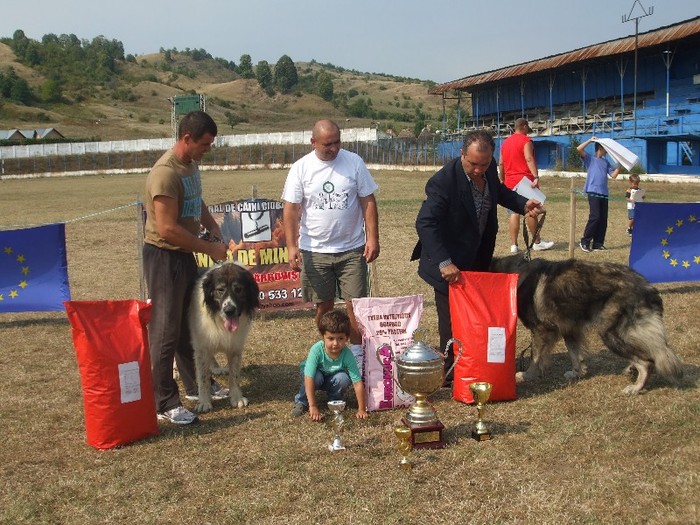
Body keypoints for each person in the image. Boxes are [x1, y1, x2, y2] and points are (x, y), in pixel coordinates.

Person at [412, 130, 545, 382]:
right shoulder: (443, 182)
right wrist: (445, 262)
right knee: (450, 319)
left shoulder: (487, 166)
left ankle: (476, 360)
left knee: (476, 314)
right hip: (447, 262)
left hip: (476, 256)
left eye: (484, 164)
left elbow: (498, 191)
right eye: (473, 164)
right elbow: (425, 223)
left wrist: (522, 203)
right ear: (462, 154)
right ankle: (451, 371)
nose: (478, 170)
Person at [143, 110, 229, 425]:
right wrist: (209, 249)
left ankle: (197, 385)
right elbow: (167, 228)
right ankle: (163, 401)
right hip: (165, 257)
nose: (208, 150)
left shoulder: (190, 166)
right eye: (205, 144)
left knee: (187, 325)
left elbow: (196, 202)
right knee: (165, 330)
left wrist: (212, 228)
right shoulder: (165, 173)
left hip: (183, 256)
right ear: (187, 138)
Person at [282, 119, 380, 369]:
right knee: (322, 305)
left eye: (337, 142)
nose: (334, 148)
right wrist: (292, 246)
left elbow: (368, 201)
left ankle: (357, 356)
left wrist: (373, 238)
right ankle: (328, 354)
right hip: (315, 251)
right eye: (328, 144)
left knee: (355, 307)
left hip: (352, 250)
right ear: (313, 142)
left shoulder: (354, 162)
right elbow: (291, 210)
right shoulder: (301, 168)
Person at [291, 309, 368, 421]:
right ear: (323, 337)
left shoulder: (347, 354)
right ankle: (302, 401)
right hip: (315, 376)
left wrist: (362, 409)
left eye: (340, 338)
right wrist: (313, 406)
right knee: (317, 377)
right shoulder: (316, 350)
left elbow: (357, 382)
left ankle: (334, 401)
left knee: (343, 378)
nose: (335, 343)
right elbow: (309, 378)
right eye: (331, 339)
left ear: (347, 338)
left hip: (332, 377)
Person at [498, 117, 554, 253]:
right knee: (531, 211)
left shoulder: (505, 142)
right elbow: (529, 158)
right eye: (527, 127)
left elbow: (501, 163)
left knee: (513, 212)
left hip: (510, 181)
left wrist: (502, 179)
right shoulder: (526, 140)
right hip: (525, 181)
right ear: (523, 127)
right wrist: (535, 176)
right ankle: (537, 242)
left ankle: (514, 245)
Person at [577, 137, 620, 252]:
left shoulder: (606, 162)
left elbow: (613, 175)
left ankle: (598, 243)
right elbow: (579, 149)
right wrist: (590, 140)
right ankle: (585, 241)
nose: (607, 151)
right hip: (593, 192)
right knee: (595, 217)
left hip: (604, 193)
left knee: (603, 219)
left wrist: (619, 165)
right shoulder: (590, 159)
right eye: (605, 149)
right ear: (600, 148)